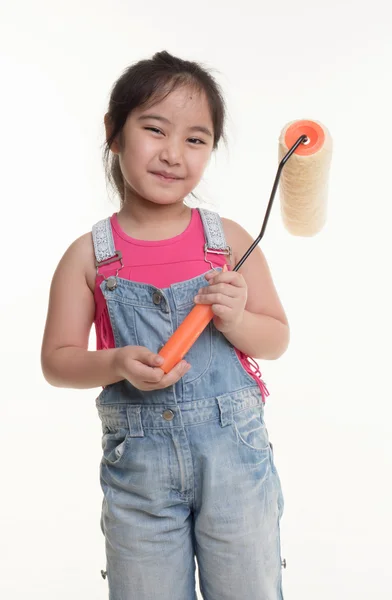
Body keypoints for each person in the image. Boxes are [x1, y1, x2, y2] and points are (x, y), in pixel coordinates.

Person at [41, 50, 289, 600]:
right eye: (155, 129)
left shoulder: (229, 242)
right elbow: (57, 360)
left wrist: (237, 316)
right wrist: (114, 363)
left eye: (196, 140)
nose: (173, 154)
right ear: (114, 132)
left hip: (235, 457)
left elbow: (275, 338)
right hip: (140, 472)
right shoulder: (88, 256)